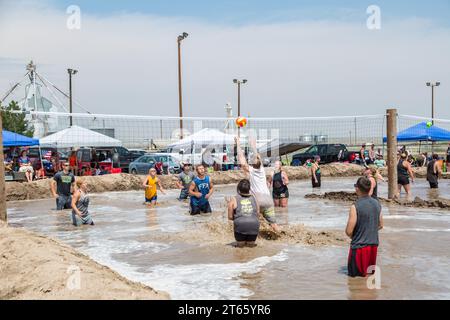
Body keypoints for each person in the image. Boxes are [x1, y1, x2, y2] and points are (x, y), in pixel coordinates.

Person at [235, 136, 280, 233]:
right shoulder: (262, 170)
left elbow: (242, 160)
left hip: (257, 201)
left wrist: (238, 144)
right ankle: (281, 236)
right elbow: (258, 157)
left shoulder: (251, 170)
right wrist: (253, 146)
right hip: (268, 200)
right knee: (274, 224)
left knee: (253, 223)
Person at [346, 176, 383, 277]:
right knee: (369, 278)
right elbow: (380, 225)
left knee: (354, 281)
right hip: (373, 246)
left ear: (357, 188)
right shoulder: (377, 204)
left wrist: (359, 235)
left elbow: (349, 231)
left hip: (359, 247)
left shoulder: (355, 206)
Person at [228, 179, 260, 248]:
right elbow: (257, 214)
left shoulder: (234, 198)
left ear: (238, 188)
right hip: (254, 224)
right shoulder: (254, 198)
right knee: (251, 247)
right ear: (249, 188)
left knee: (240, 248)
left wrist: (239, 218)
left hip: (240, 224)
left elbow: (230, 217)